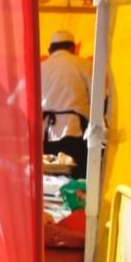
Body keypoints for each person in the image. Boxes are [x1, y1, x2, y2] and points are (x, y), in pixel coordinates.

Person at [41, 29, 92, 179]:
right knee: (77, 177)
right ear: (73, 48)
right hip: (76, 131)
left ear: (50, 50)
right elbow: (101, 98)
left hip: (47, 132)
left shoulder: (41, 67)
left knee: (50, 176)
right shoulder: (85, 65)